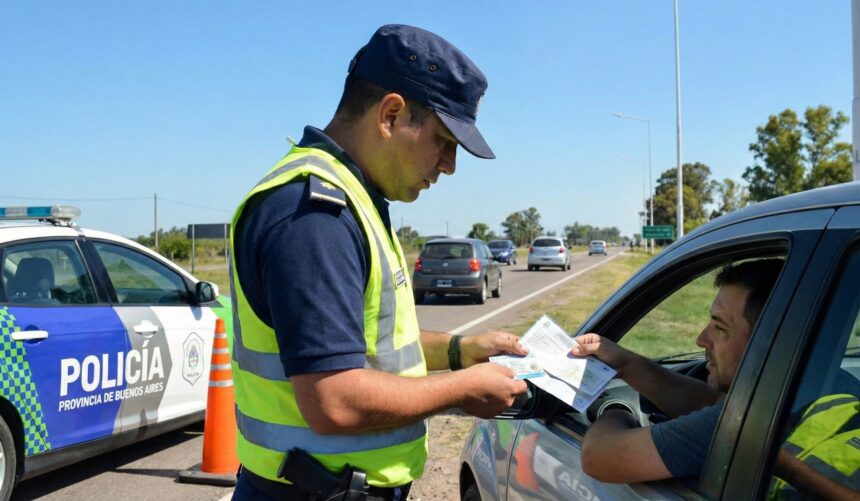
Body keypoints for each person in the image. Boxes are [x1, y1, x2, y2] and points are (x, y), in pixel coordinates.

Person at [228, 25, 528, 500]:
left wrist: (460, 351)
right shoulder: (314, 217)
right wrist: (463, 389)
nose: (449, 165)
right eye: (444, 141)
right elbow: (335, 399)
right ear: (391, 114)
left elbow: (367, 349)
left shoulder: (354, 201)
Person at [572, 259, 785, 483]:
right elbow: (714, 401)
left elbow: (599, 457)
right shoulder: (791, 401)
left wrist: (616, 411)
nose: (701, 340)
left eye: (720, 327)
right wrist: (627, 365)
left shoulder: (746, 426)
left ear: (766, 344)